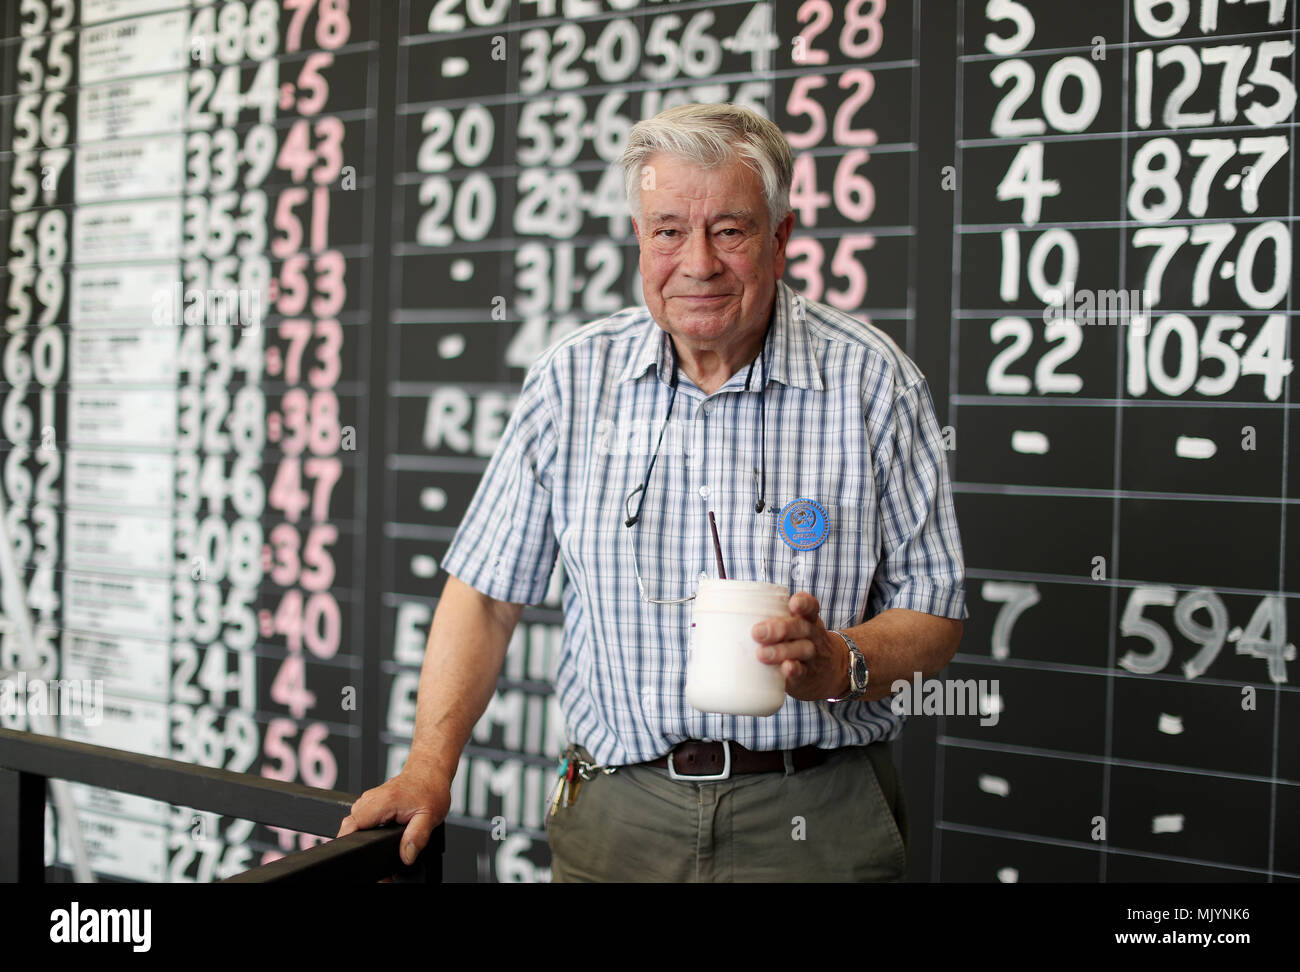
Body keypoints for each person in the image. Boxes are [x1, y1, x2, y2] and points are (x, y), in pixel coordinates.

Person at [338, 103, 966, 882]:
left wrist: (839, 661)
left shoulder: (875, 382)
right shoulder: (573, 380)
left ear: (780, 240)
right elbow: (486, 597)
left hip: (817, 818)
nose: (697, 262)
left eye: (730, 231)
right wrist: (430, 766)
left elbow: (935, 611)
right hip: (617, 817)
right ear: (640, 239)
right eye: (668, 230)